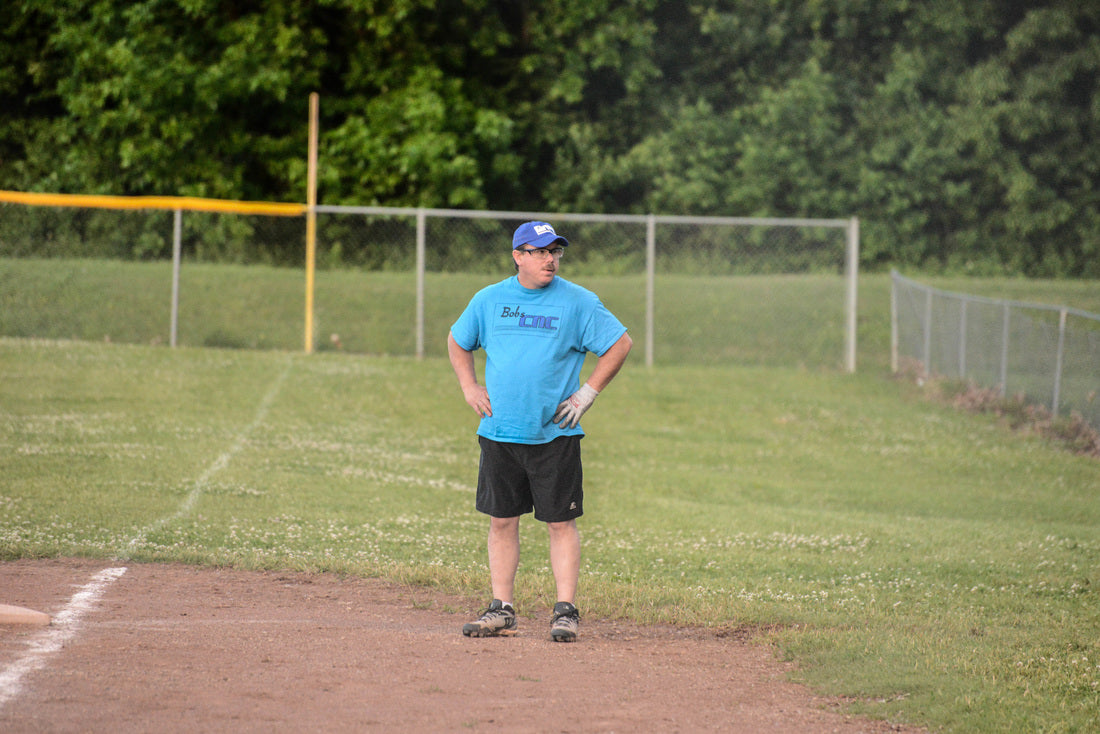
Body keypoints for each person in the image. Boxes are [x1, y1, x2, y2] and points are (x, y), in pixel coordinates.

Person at [447, 221, 633, 642]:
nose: (551, 259)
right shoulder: (489, 300)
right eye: (541, 250)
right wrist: (469, 386)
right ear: (518, 256)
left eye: (556, 251)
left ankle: (565, 612)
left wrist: (587, 393)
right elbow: (458, 341)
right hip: (500, 432)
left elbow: (619, 343)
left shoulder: (578, 302)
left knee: (559, 524)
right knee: (501, 521)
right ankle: (501, 609)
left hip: (555, 434)